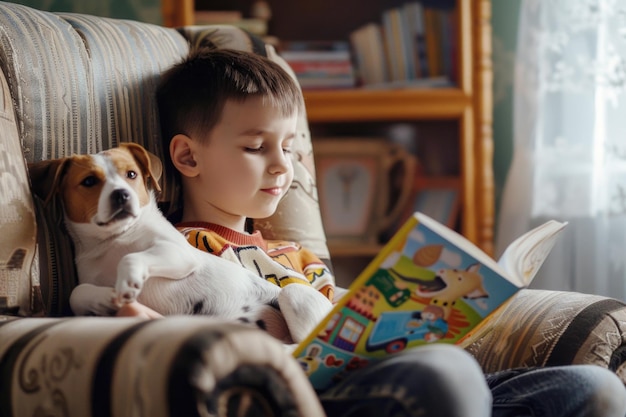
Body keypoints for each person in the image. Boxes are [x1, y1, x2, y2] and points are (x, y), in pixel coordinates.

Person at [122, 47, 626, 417]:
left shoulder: (294, 257)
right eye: (256, 148)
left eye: (291, 149)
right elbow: (158, 329)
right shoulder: (174, 251)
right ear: (188, 157)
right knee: (446, 378)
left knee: (593, 389)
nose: (283, 168)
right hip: (315, 400)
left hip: (401, 387)